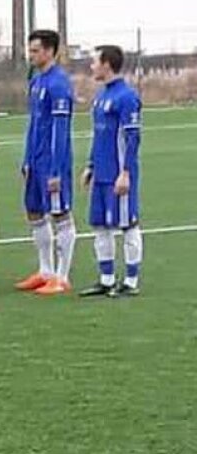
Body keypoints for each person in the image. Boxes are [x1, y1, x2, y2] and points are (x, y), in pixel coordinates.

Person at [16, 29, 76, 296]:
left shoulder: (59, 83)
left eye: (36, 50)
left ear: (51, 51)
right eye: (30, 50)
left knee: (60, 213)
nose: (31, 55)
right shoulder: (37, 81)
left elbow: (60, 131)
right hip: (36, 160)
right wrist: (27, 158)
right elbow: (33, 125)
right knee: (34, 211)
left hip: (53, 161)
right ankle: (45, 270)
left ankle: (62, 277)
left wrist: (56, 170)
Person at [80, 45, 143, 298]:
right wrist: (91, 165)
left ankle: (130, 281)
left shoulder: (126, 97)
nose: (91, 66)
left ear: (107, 64)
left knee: (128, 225)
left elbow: (132, 138)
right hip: (102, 175)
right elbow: (99, 136)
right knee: (100, 226)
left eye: (94, 61)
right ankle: (106, 279)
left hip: (119, 175)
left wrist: (126, 172)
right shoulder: (100, 97)